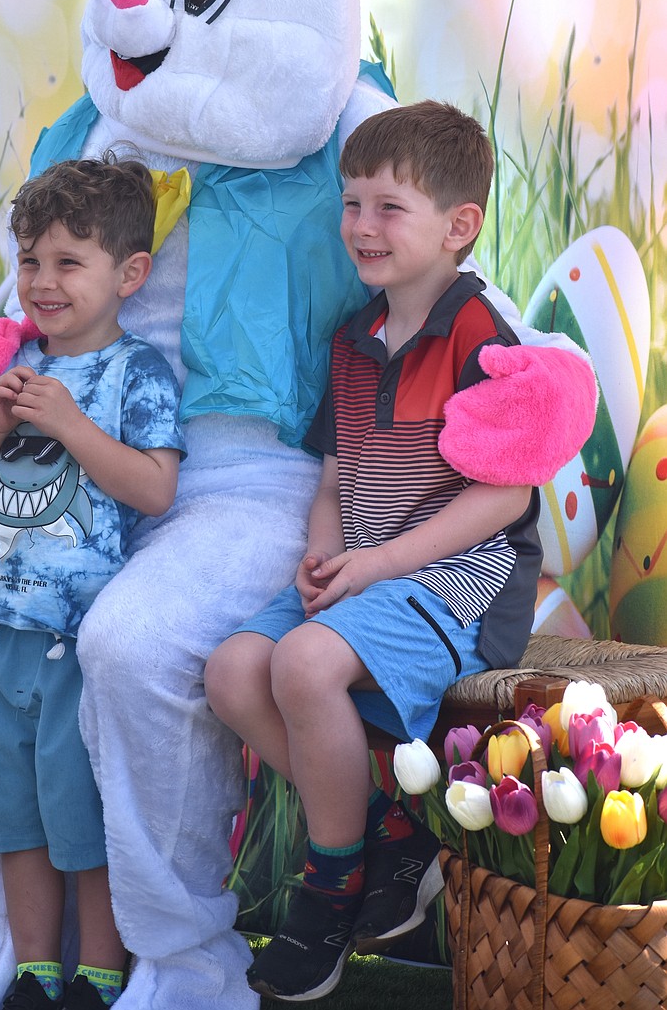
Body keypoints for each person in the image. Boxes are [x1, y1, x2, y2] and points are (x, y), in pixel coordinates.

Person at [205, 101, 543, 1003]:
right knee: (236, 670)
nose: (361, 225)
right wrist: (326, 556)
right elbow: (334, 477)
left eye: (388, 206)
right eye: (352, 203)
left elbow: (506, 493)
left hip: (458, 582)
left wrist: (376, 567)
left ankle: (331, 884)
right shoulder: (352, 342)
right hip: (361, 572)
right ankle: (394, 826)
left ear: (459, 225)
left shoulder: (483, 338)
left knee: (306, 662)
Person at [0, 157, 187, 1010]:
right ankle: (36, 970)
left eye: (68, 262)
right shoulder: (11, 370)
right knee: (13, 817)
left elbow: (154, 488)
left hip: (72, 638)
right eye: (30, 260)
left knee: (81, 814)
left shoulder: (136, 373)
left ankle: (100, 970)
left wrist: (72, 424)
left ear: (130, 273)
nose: (42, 282)